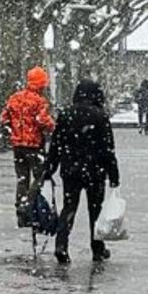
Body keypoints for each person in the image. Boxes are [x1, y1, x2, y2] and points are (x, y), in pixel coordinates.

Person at [44, 79, 119, 264]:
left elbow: (56, 145)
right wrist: (113, 174)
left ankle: (61, 245)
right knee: (95, 210)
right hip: (95, 170)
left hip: (70, 170)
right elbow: (108, 149)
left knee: (69, 207)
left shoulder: (66, 115)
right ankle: (97, 248)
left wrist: (49, 168)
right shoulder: (100, 116)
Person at [1, 66, 55, 227]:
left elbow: (4, 118)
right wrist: (54, 127)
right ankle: (29, 206)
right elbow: (42, 120)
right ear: (41, 84)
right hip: (34, 145)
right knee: (39, 177)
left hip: (18, 145)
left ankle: (21, 210)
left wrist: (14, 131)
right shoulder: (39, 102)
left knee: (22, 179)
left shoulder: (14, 98)